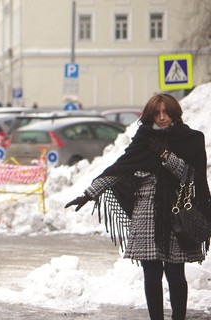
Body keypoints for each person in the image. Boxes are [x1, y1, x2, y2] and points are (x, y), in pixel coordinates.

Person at [65, 93, 211, 320]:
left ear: (174, 113)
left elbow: (190, 175)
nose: (162, 118)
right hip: (145, 215)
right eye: (157, 113)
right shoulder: (143, 138)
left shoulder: (191, 138)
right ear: (150, 115)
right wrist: (89, 194)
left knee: (175, 272)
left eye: (166, 113)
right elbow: (121, 168)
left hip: (176, 212)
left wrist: (164, 155)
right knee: (151, 274)